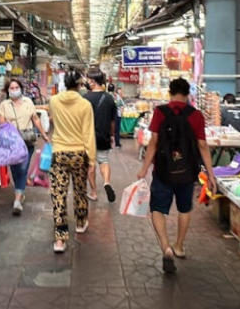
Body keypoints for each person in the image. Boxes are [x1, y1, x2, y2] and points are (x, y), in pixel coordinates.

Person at [137, 78, 216, 274]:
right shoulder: (196, 115)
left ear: (170, 92)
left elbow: (153, 142)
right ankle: (179, 246)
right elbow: (203, 145)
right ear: (188, 93)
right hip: (187, 172)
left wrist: (144, 168)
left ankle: (166, 248)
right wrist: (211, 174)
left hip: (163, 170)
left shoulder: (160, 111)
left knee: (157, 209)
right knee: (184, 209)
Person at [47, 69, 96, 253]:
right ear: (79, 85)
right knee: (80, 190)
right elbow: (88, 134)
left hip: (59, 152)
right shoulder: (85, 105)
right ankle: (81, 222)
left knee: (58, 195)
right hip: (78, 154)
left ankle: (60, 240)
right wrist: (91, 160)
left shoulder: (53, 101)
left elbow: (53, 119)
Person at [0, 78, 50, 216]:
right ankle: (20, 193)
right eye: (11, 88)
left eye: (16, 87)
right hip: (12, 143)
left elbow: (35, 119)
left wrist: (44, 134)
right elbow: (1, 122)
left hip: (27, 141)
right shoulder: (4, 105)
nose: (14, 90)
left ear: (21, 88)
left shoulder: (28, 102)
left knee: (22, 169)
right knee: (16, 170)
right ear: (8, 90)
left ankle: (17, 201)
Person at [84, 69, 118, 203]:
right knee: (103, 160)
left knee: (90, 165)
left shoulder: (85, 98)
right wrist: (112, 135)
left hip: (89, 137)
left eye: (88, 80)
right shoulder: (109, 98)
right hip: (104, 135)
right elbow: (112, 121)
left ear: (92, 82)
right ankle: (106, 182)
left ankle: (93, 192)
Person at [108, 84, 125, 149]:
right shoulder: (117, 96)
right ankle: (117, 144)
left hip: (108, 115)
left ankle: (109, 144)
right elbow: (122, 105)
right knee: (117, 130)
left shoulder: (106, 96)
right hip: (117, 114)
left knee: (108, 129)